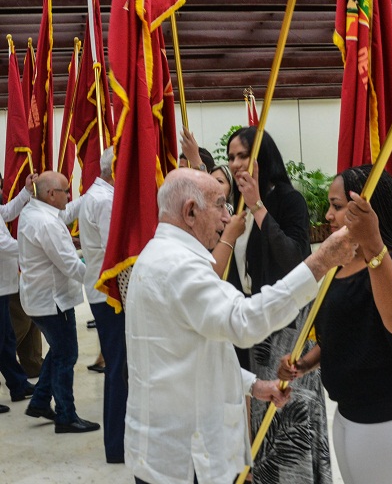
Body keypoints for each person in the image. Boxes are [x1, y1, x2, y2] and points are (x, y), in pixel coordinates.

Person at [124, 168, 356, 484]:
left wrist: (252, 385)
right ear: (190, 211)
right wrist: (319, 262)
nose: (227, 216)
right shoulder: (179, 267)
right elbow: (244, 322)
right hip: (185, 460)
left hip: (169, 448)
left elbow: (199, 350)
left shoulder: (161, 255)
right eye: (220, 205)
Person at [280, 164, 392, 484]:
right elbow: (344, 332)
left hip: (390, 415)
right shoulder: (341, 267)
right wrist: (307, 362)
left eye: (337, 207)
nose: (327, 215)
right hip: (350, 413)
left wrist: (373, 245)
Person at [227, 126, 333, 484]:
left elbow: (294, 259)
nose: (236, 164)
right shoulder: (238, 208)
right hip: (258, 324)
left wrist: (258, 206)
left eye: (243, 155)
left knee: (292, 411)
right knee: (264, 409)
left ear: (263, 157)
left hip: (289, 323)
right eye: (231, 157)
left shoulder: (289, 200)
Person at [18, 171, 99, 433]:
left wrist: (88, 198)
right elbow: (69, 265)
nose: (69, 195)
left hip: (39, 298)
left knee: (58, 350)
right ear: (51, 195)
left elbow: (62, 221)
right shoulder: (47, 224)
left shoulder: (33, 211)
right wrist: (101, 280)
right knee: (67, 354)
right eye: (66, 190)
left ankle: (40, 401)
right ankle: (66, 416)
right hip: (53, 302)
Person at [78, 147, 126, 462]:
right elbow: (118, 252)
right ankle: (116, 446)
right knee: (118, 368)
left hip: (101, 293)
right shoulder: (106, 201)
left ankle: (118, 442)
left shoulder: (96, 193)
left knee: (119, 366)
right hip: (110, 295)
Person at [0, 172, 37, 413]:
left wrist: (25, 191)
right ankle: (17, 383)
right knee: (3, 338)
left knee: (6, 338)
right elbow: (5, 245)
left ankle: (17, 385)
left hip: (4, 284)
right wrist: (35, 244)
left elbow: (7, 211)